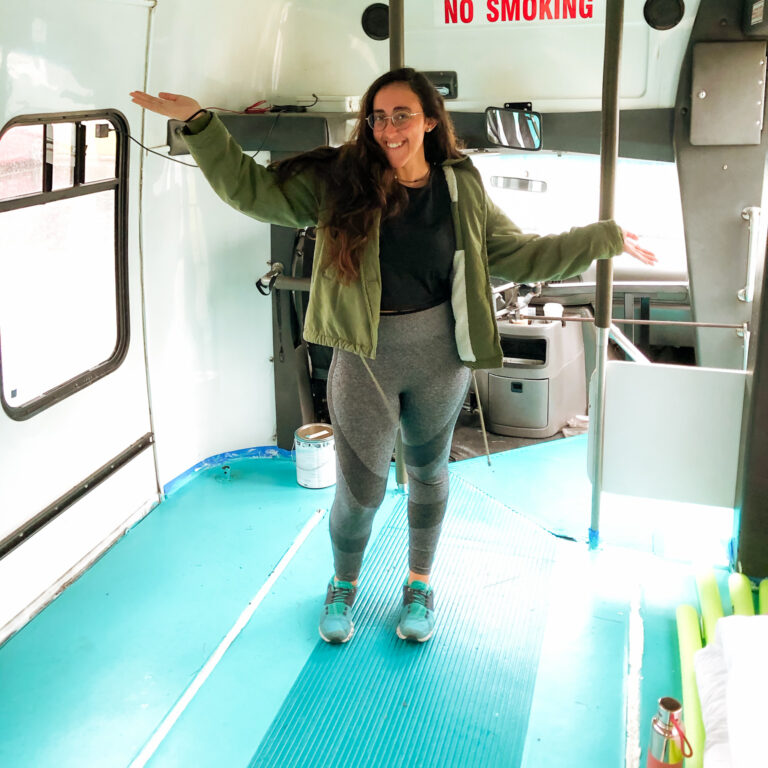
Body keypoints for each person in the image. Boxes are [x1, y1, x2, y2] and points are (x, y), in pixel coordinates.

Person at [130, 68, 656, 646]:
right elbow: (254, 193)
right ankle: (343, 582)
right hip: (365, 357)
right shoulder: (343, 181)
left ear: (430, 120)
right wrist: (200, 125)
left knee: (429, 475)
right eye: (378, 116)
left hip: (440, 357)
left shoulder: (461, 185)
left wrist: (602, 237)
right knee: (361, 490)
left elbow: (518, 255)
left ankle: (419, 584)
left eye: (401, 114)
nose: (388, 128)